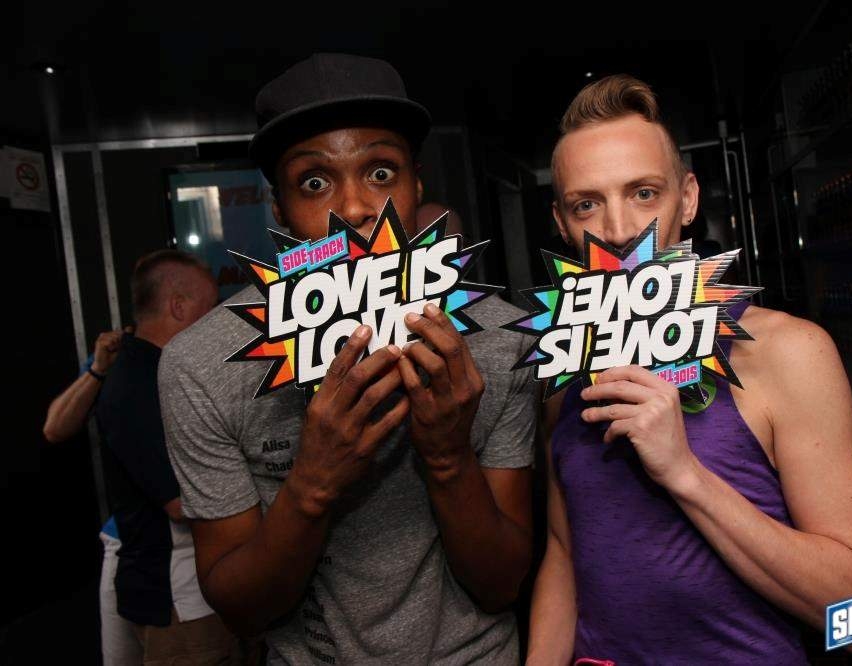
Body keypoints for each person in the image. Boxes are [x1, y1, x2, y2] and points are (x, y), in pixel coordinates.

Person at [158, 53, 537, 664]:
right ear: (279, 209)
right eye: (314, 182)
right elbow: (240, 611)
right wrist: (313, 484)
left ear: (417, 186)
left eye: (381, 173)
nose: (355, 208)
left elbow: (502, 586)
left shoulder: (498, 339)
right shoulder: (202, 365)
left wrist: (447, 457)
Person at [527, 75, 852, 664]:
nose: (619, 230)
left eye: (644, 193)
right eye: (586, 204)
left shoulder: (788, 351)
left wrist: (685, 474)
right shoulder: (561, 368)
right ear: (562, 224)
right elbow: (565, 555)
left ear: (689, 199)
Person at [95, 249, 239, 663]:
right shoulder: (137, 385)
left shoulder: (160, 370)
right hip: (179, 604)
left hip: (193, 594)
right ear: (178, 307)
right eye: (209, 307)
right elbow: (180, 502)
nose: (215, 321)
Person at [44, 327, 143, 664]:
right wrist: (99, 369)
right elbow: (55, 427)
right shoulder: (124, 351)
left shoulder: (199, 348)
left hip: (190, 539)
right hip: (126, 540)